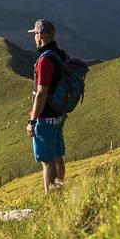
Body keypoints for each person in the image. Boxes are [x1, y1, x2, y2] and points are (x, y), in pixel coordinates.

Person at [26, 18, 68, 194]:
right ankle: (59, 189)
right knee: (58, 155)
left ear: (41, 35)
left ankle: (50, 197)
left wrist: (32, 120)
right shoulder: (61, 54)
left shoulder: (44, 61)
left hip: (46, 116)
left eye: (35, 33)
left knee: (47, 161)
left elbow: (42, 92)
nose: (34, 37)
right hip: (59, 113)